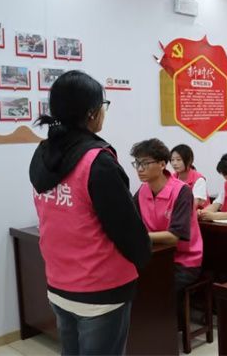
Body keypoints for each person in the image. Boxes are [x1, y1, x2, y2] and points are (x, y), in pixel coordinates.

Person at [29, 71, 151, 355]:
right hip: (100, 290)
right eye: (103, 106)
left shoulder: (43, 154)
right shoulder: (97, 161)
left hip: (59, 282)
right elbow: (127, 229)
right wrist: (143, 256)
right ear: (91, 113)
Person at [130, 139, 203, 306]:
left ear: (162, 164)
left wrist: (139, 236)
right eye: (137, 163)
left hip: (183, 261)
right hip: (154, 256)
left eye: (145, 163)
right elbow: (130, 220)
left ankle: (168, 323)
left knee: (154, 289)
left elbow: (174, 237)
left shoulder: (182, 191)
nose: (140, 169)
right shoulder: (142, 191)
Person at [170, 144, 209, 208]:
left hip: (197, 213)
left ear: (189, 161)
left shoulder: (199, 179)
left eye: (178, 160)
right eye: (172, 160)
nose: (175, 163)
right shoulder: (171, 177)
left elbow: (194, 205)